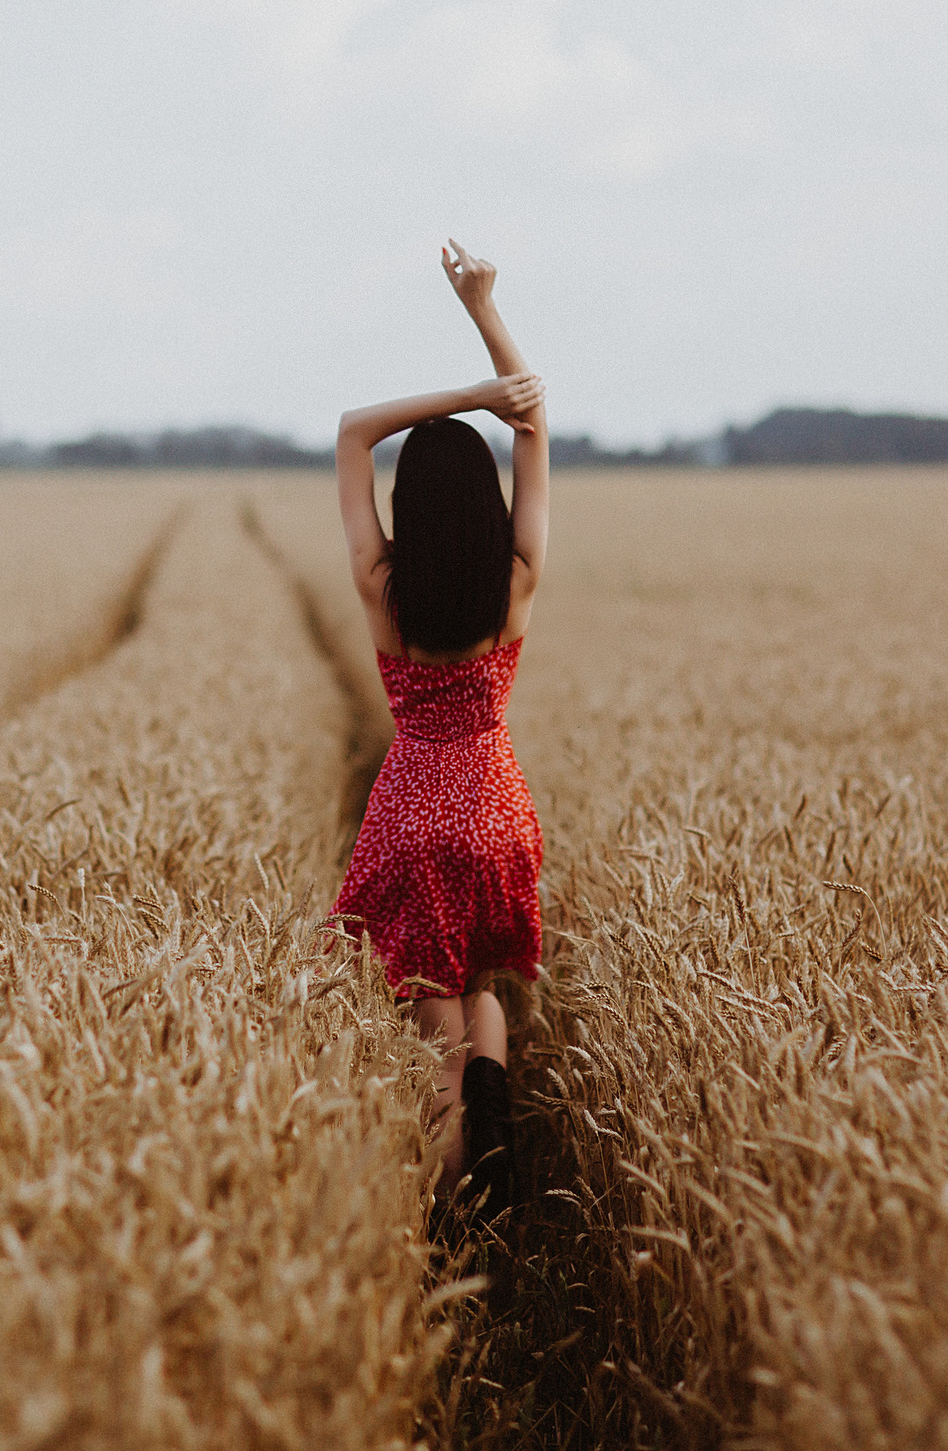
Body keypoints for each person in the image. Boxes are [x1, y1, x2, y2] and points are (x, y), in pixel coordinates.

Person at [333, 238, 549, 1218]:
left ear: (410, 509)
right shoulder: (514, 579)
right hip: (496, 807)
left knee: (432, 1010)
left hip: (414, 809)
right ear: (488, 504)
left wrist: (457, 397)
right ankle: (493, 1109)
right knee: (484, 987)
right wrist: (487, 316)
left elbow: (350, 432)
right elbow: (536, 425)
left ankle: (455, 1192)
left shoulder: (385, 585)